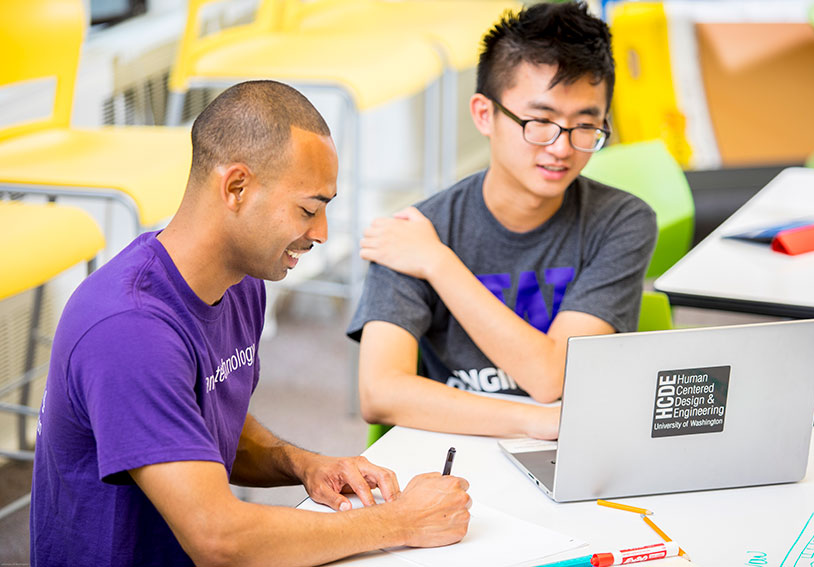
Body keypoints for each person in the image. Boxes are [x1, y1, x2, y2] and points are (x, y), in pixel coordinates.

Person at [30, 81, 471, 567]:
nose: (322, 233)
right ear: (236, 187)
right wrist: (402, 521)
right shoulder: (129, 328)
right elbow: (219, 540)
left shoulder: (241, 282)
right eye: (308, 209)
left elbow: (200, 427)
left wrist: (302, 464)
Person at [348, 2, 657, 440]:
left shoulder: (621, 221)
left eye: (585, 126)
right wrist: (533, 421)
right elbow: (379, 393)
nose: (562, 148)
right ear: (483, 114)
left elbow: (550, 378)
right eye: (540, 121)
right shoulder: (413, 232)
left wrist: (438, 263)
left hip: (573, 448)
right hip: (454, 450)